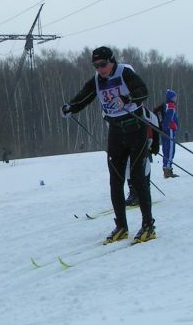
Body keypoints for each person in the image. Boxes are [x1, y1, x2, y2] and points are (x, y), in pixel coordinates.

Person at [62, 46, 155, 244]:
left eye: (103, 64)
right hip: (115, 132)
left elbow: (142, 90)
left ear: (112, 61)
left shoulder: (124, 72)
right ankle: (121, 226)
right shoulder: (97, 80)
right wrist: (71, 107)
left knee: (138, 177)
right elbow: (84, 96)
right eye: (96, 66)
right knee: (115, 180)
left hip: (135, 128)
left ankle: (148, 225)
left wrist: (127, 98)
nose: (100, 69)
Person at [156, 89, 179, 178]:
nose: (176, 99)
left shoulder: (165, 105)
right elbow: (168, 119)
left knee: (166, 149)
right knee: (170, 150)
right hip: (169, 131)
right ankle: (168, 170)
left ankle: (166, 168)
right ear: (171, 98)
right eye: (175, 97)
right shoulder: (171, 106)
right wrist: (166, 127)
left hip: (165, 130)